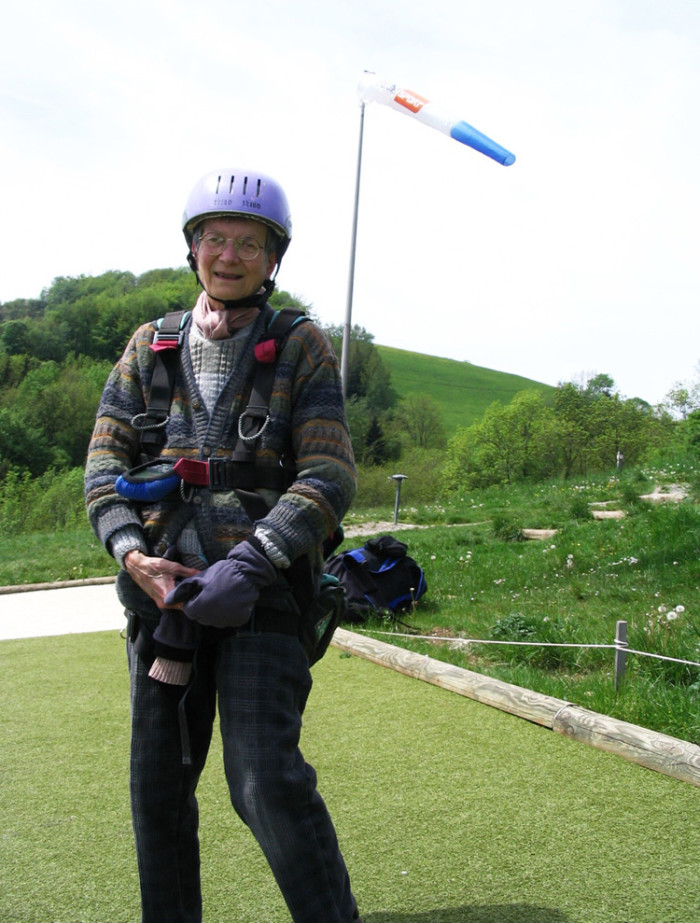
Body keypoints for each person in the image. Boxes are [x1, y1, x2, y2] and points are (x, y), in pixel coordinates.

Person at [85, 167, 362, 923]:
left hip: (263, 601)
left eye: (249, 242)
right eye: (215, 238)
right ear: (193, 249)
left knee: (263, 780)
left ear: (274, 259)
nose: (229, 254)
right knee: (157, 789)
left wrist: (256, 557)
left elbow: (331, 472)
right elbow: (103, 468)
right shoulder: (151, 347)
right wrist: (130, 556)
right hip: (162, 601)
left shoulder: (299, 345)